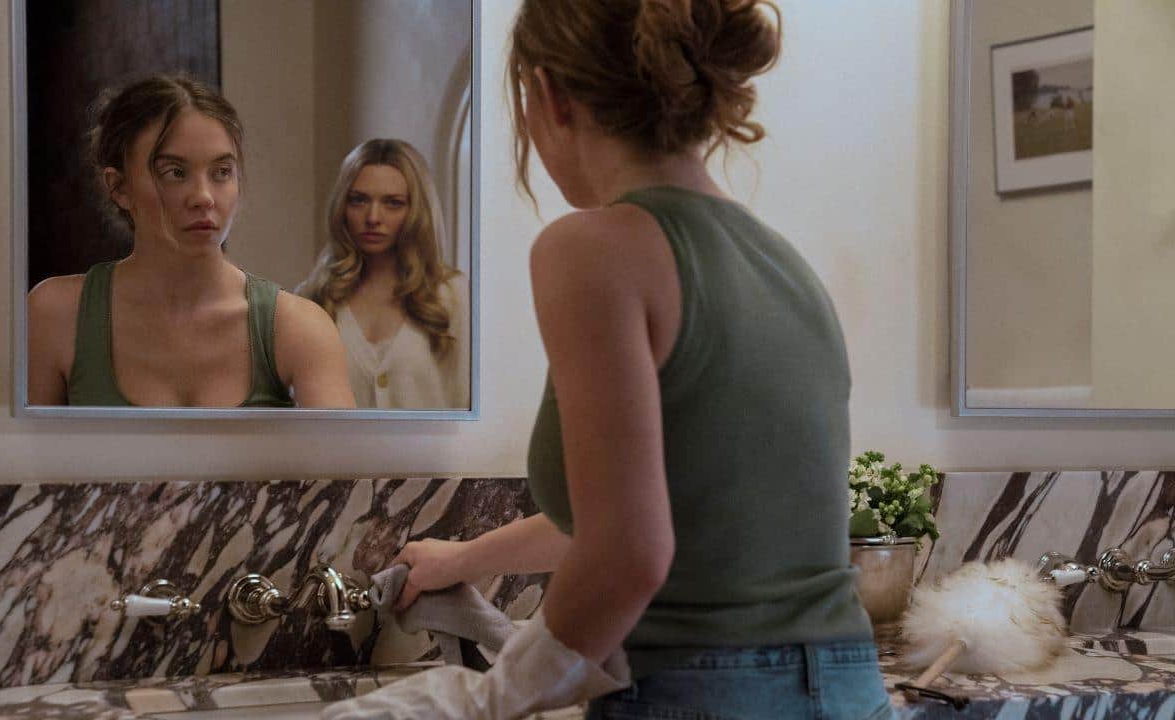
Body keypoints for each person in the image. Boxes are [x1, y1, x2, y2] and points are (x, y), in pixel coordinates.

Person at [321, 1, 892, 719]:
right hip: (850, 688)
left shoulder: (591, 248)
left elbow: (630, 553)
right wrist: (463, 561)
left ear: (547, 95)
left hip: (702, 693)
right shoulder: (787, 267)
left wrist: (494, 695)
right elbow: (658, 511)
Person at [27, 75, 355, 409]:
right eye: (175, 173)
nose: (203, 197)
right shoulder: (57, 315)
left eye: (221, 172)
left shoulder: (296, 326)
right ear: (120, 187)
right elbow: (14, 442)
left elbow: (339, 445)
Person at [297, 139, 469, 410]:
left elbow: (467, 403)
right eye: (359, 200)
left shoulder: (454, 296)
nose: (373, 217)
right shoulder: (313, 298)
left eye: (393, 203)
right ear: (342, 206)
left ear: (416, 210)